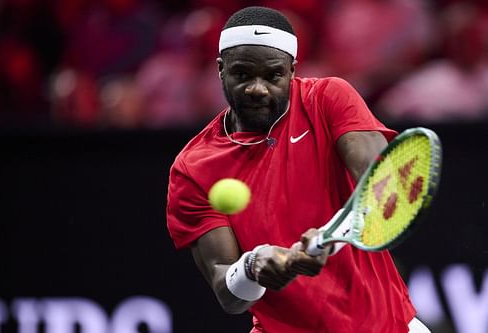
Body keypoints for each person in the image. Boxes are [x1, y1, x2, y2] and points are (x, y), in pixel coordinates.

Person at [166, 6, 430, 333]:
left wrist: (330, 237)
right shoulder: (192, 169)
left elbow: (379, 182)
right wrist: (252, 266)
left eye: (273, 75)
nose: (257, 89)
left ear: (292, 69)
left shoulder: (329, 98)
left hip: (388, 326)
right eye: (242, 74)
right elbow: (229, 296)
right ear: (221, 70)